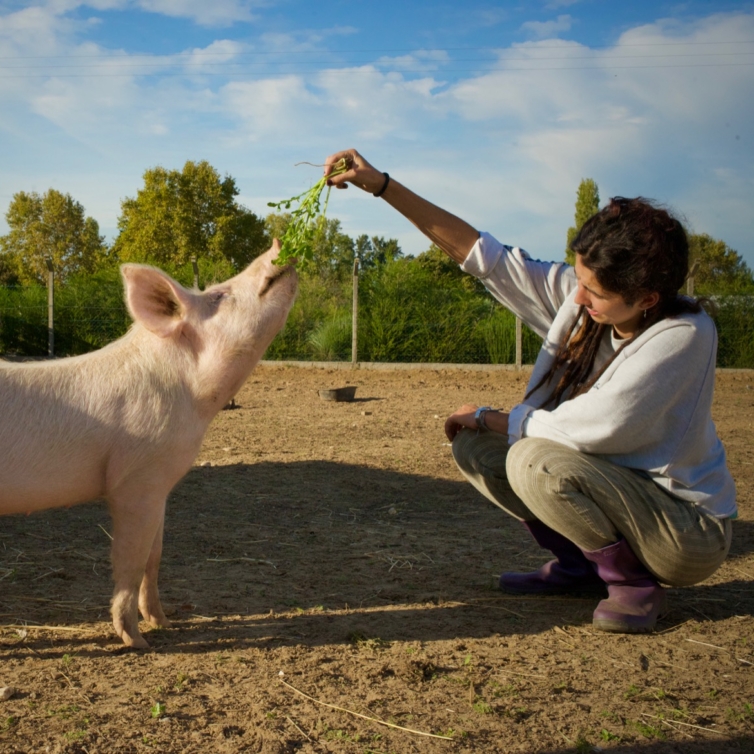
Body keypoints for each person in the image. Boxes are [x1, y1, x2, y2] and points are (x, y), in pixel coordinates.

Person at [323, 148, 737, 634]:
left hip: (682, 532)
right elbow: (483, 257)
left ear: (646, 298)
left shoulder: (684, 334)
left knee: (530, 458)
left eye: (595, 292)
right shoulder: (586, 303)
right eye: (578, 279)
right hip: (617, 494)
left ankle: (635, 585)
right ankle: (582, 568)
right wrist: (383, 186)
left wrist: (489, 415)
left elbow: (590, 428)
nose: (578, 299)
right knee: (478, 449)